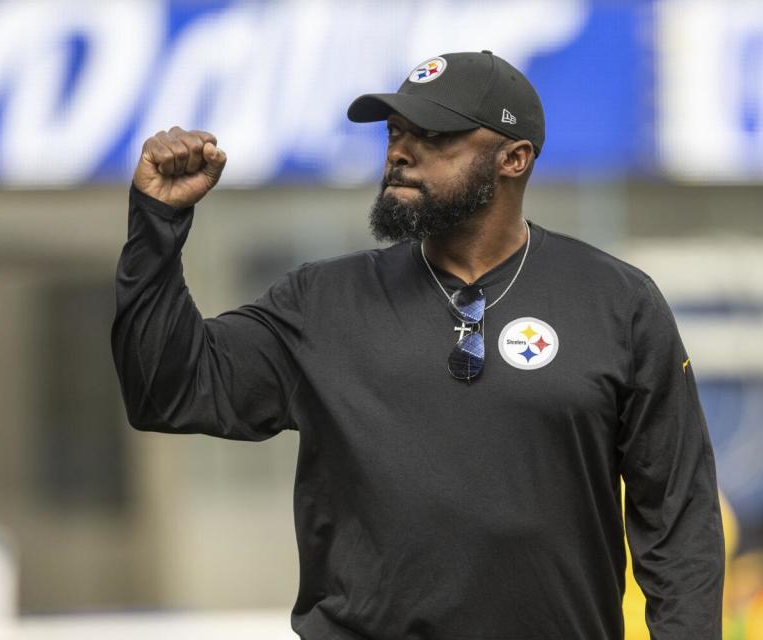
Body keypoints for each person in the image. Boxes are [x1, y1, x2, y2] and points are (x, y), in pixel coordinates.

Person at [111, 51, 725, 639]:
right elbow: (168, 391)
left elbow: (678, 520)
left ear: (514, 158)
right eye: (396, 132)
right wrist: (156, 225)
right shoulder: (321, 303)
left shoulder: (617, 303)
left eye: (434, 137)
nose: (401, 153)